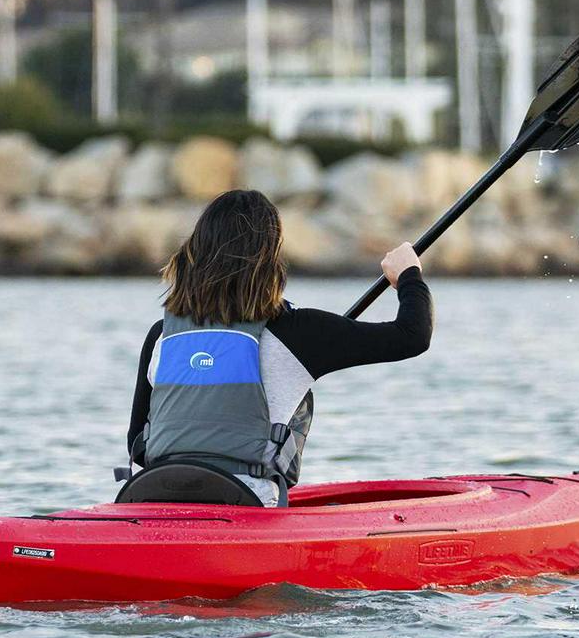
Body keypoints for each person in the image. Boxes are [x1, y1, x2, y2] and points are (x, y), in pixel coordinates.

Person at [125, 188, 432, 506]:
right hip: (242, 504)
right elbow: (412, 335)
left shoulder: (162, 336)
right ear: (270, 258)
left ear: (194, 252)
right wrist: (409, 274)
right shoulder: (301, 333)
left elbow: (138, 442)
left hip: (152, 496)